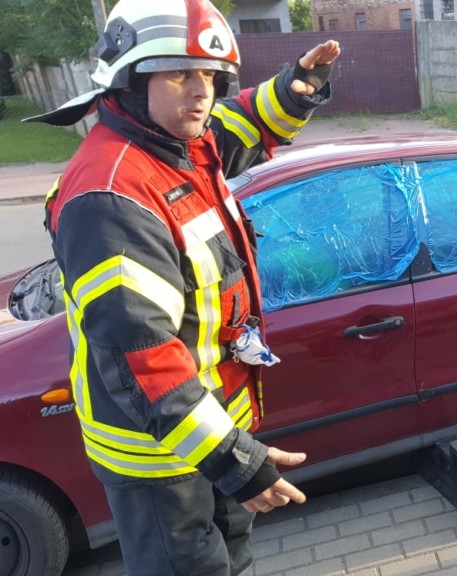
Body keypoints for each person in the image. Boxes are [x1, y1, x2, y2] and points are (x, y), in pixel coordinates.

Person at [26, 0, 340, 572]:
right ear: (129, 79)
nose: (202, 92)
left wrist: (294, 90)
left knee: (232, 560)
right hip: (161, 461)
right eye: (178, 73)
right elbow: (142, 358)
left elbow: (240, 127)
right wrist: (236, 463)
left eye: (210, 76)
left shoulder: (176, 147)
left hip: (206, 436)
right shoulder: (110, 197)